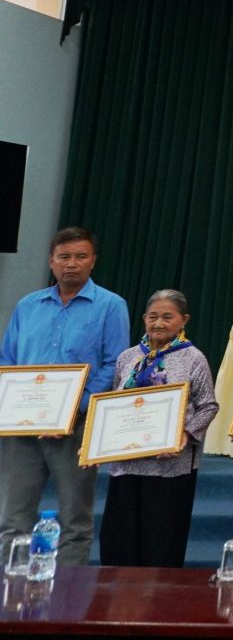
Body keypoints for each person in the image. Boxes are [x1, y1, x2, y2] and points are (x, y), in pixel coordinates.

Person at [0, 227, 129, 566]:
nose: (72, 264)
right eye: (64, 257)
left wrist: (75, 408)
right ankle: (9, 597)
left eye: (80, 257)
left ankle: (68, 603)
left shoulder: (111, 306)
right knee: (14, 519)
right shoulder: (28, 306)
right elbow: (7, 360)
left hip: (77, 427)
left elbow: (115, 363)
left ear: (93, 261)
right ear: (51, 262)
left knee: (75, 521)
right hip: (22, 429)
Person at [99, 290, 219, 567]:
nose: (159, 324)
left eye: (167, 317)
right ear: (143, 319)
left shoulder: (193, 358)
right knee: (120, 541)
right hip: (126, 465)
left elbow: (209, 406)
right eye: (153, 317)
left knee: (161, 543)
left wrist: (185, 435)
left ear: (183, 320)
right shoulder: (127, 357)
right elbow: (115, 404)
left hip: (170, 468)